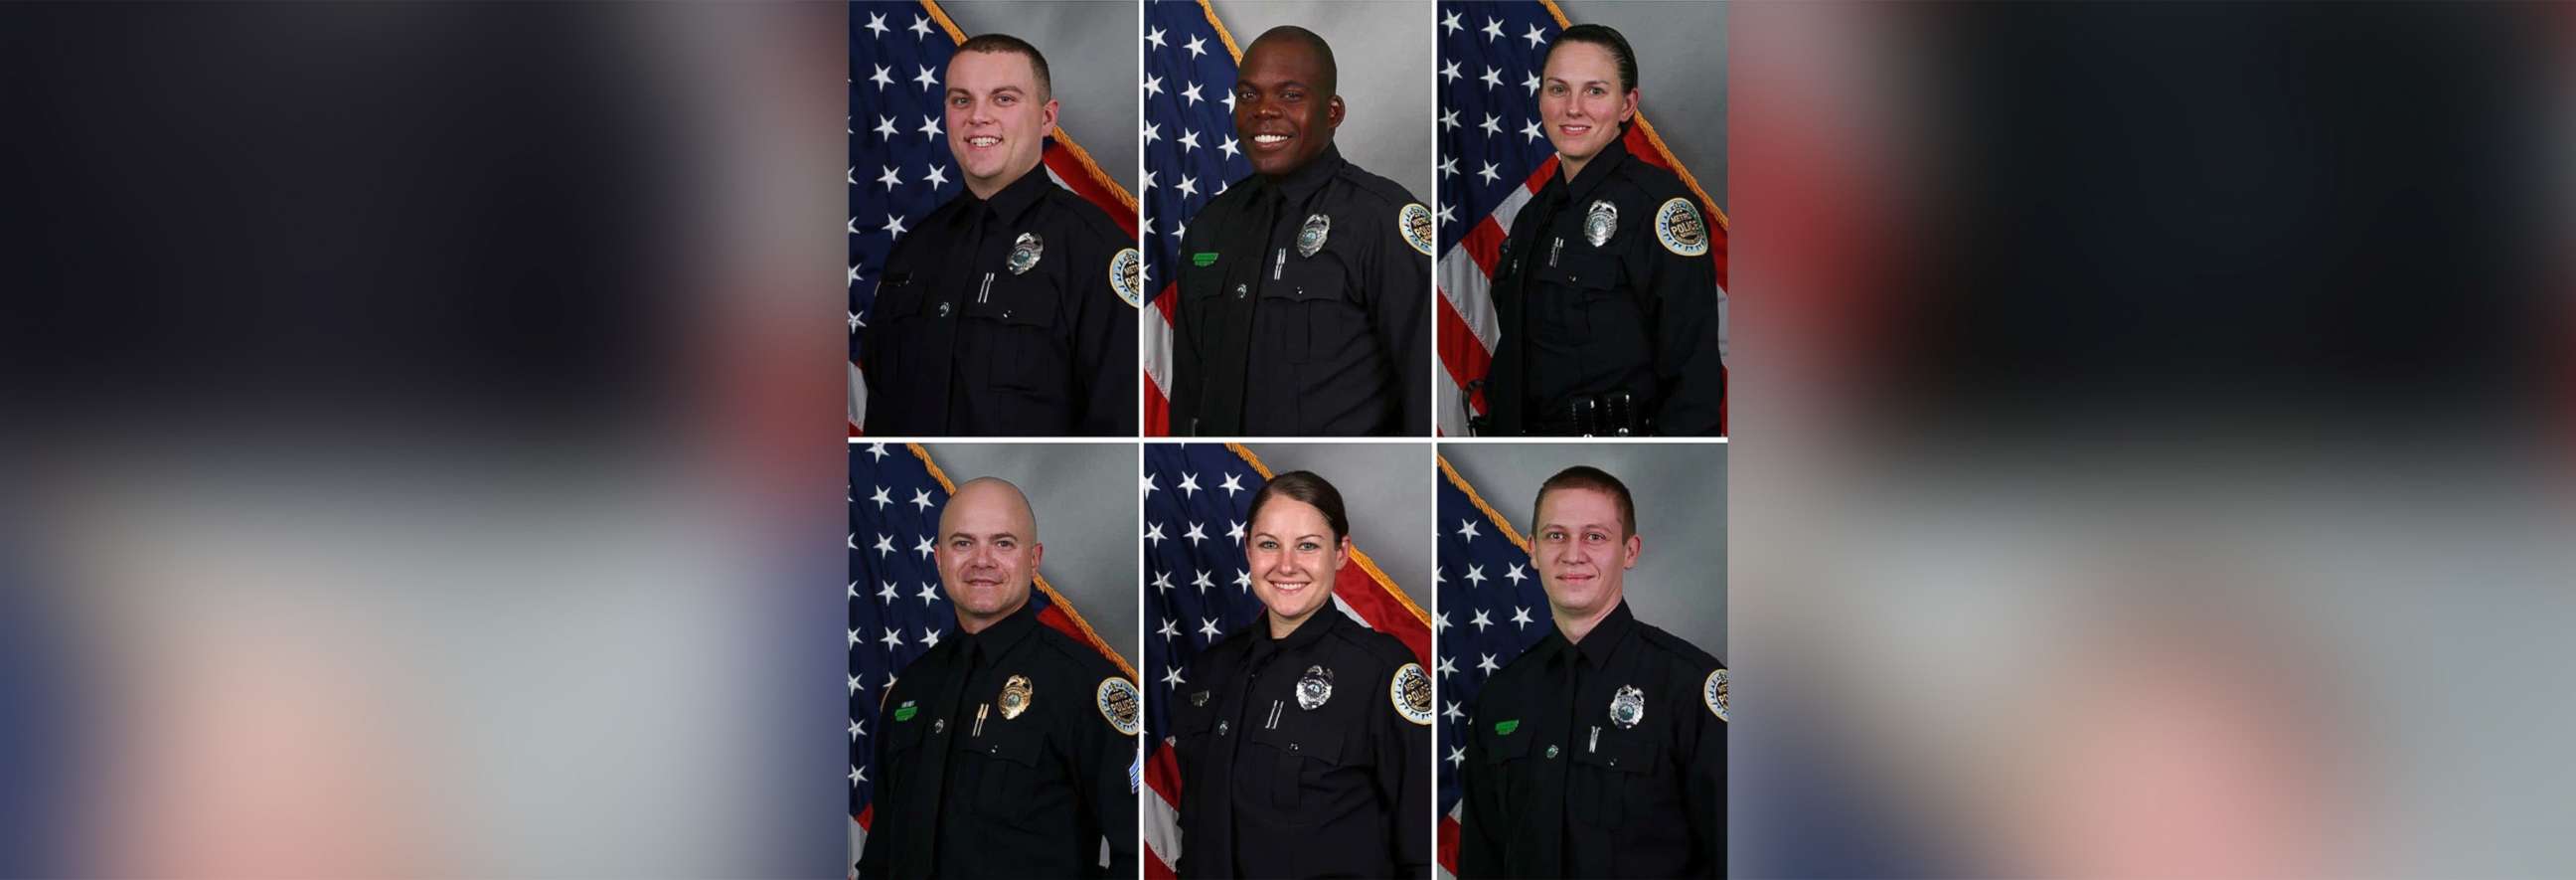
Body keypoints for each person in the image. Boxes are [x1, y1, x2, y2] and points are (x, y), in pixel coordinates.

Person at [858, 478, 1141, 879]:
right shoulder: (911, 689)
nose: (982, 560)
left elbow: (1136, 857)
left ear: (1034, 559)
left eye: (1003, 543)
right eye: (963, 543)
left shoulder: (1084, 686)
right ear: (939, 559)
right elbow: (881, 856)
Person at [862, 34, 1140, 436]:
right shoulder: (913, 250)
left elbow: (1119, 422)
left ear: (1047, 118)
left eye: (1003, 99)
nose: (978, 116)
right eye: (961, 100)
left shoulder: (1094, 249)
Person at [1457, 466, 1724, 878]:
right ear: (1532, 550)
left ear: (1630, 551)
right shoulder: (1502, 695)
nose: (1572, 554)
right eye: (1556, 535)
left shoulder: (1689, 687)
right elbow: (1482, 862)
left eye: (1594, 537)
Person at [1169, 27, 1432, 437]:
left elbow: (1423, 392)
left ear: (1333, 113)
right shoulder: (1210, 225)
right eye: (1248, 95)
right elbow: (1188, 394)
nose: (1263, 111)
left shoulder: (1382, 220)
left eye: (1290, 95)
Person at [1168, 471, 1432, 878]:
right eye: (1269, 544)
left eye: (1307, 546)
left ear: (1341, 552)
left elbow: (1420, 847)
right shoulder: (1210, 670)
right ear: (1248, 551)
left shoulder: (1382, 671)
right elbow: (1198, 829)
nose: (1286, 565)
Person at [1473, 25, 1725, 437]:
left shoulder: (1658, 207)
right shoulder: (1532, 218)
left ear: (1627, 105)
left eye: (1594, 91)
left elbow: (1692, 379)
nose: (1573, 108)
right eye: (1558, 89)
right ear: (1540, 100)